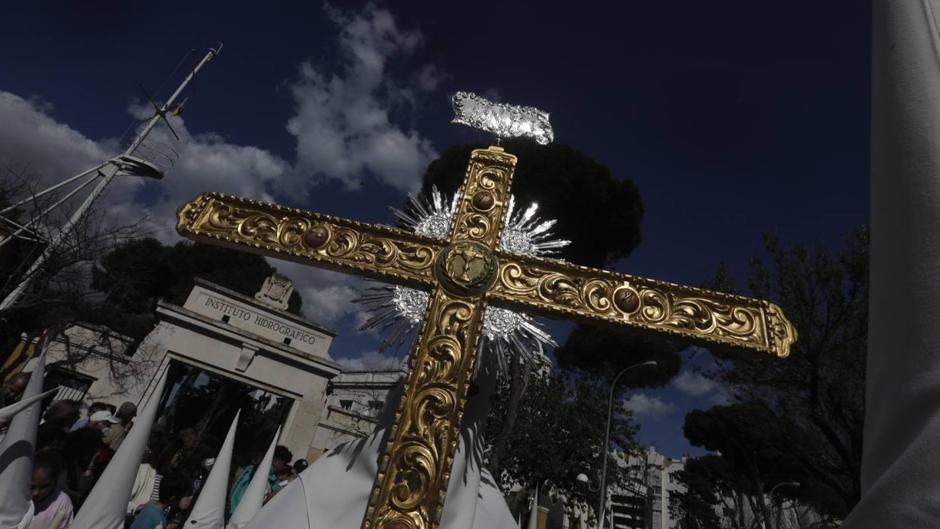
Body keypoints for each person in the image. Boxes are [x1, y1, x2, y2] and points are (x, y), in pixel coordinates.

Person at [28, 451, 74, 529]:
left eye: (43, 487)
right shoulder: (17, 494)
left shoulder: (62, 503)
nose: (36, 493)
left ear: (54, 482)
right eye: (32, 486)